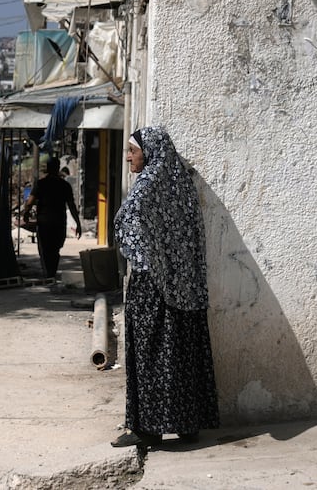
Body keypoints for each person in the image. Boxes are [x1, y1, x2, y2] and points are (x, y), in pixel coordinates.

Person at [111, 126, 219, 448]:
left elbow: (127, 220)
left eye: (133, 150)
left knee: (149, 354)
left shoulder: (148, 184)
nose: (128, 157)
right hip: (185, 286)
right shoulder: (179, 181)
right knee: (180, 351)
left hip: (151, 283)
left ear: (150, 151)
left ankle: (147, 428)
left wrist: (145, 256)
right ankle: (187, 424)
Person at [22, 157, 82, 279]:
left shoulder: (41, 184)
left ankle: (48, 273)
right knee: (55, 249)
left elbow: (30, 202)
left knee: (45, 249)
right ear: (58, 168)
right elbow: (71, 206)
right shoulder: (64, 185)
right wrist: (78, 223)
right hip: (59, 222)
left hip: (44, 222)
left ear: (48, 169)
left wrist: (26, 213)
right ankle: (51, 272)